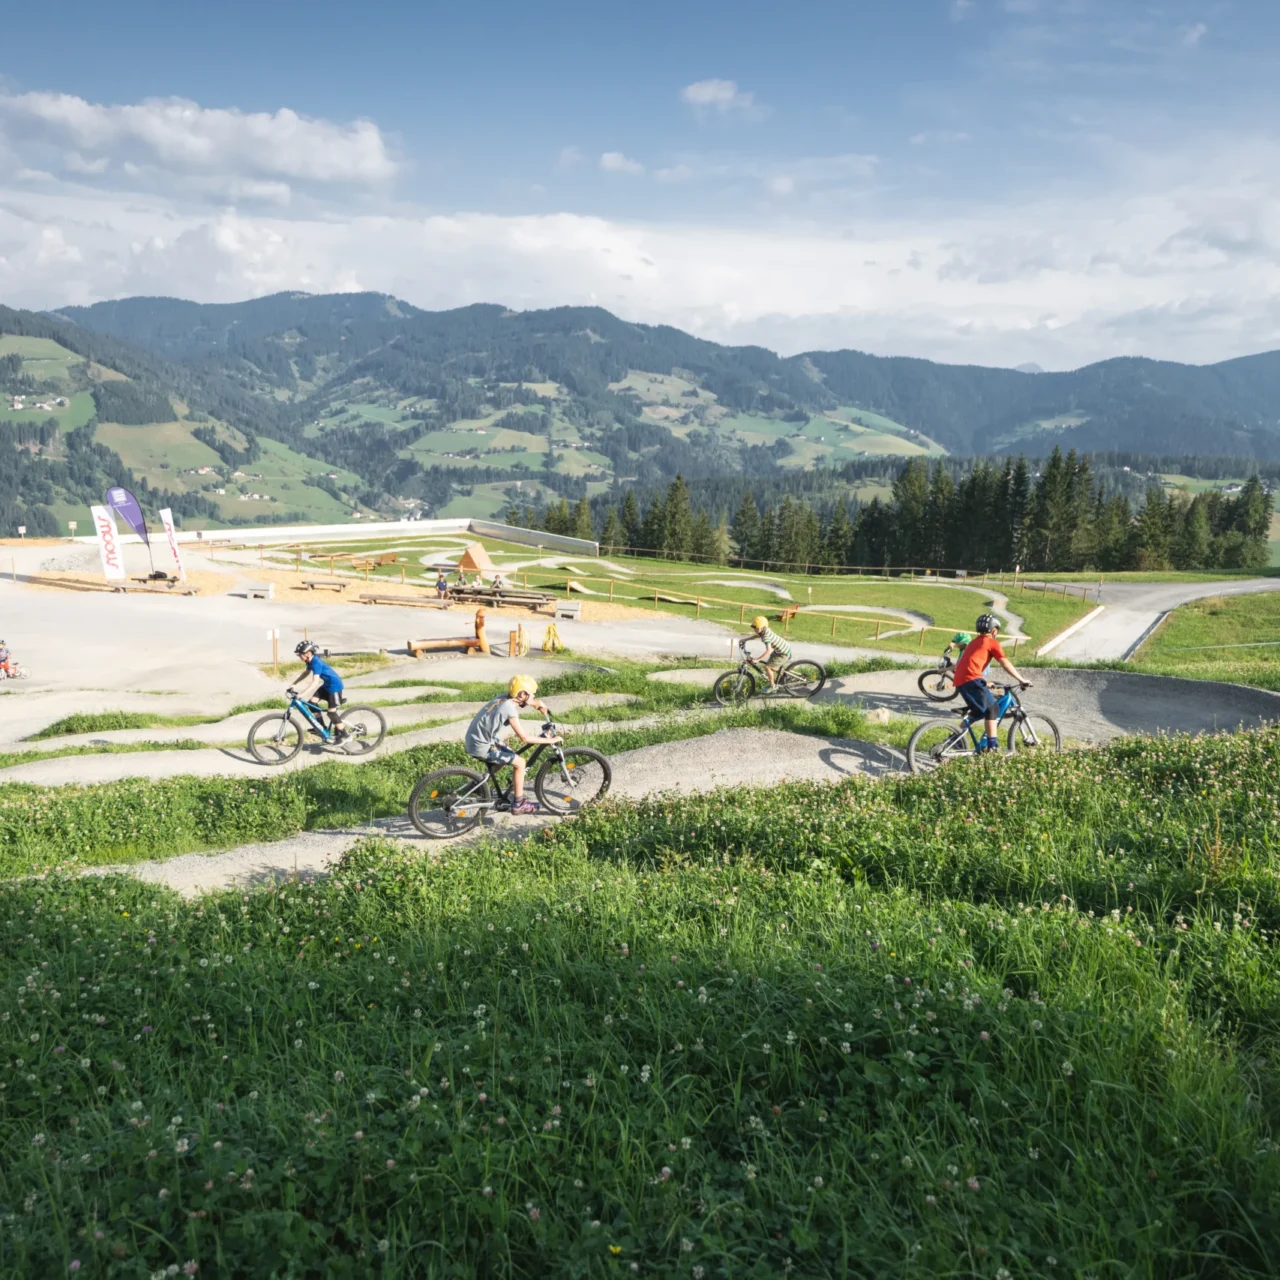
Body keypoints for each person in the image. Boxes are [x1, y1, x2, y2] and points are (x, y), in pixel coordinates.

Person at [463, 674, 561, 814]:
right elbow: (524, 738)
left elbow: (523, 701)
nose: (533, 697)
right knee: (520, 763)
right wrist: (550, 740)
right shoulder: (509, 708)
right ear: (522, 694)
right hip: (481, 746)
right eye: (532, 695)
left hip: (479, 739)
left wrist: (536, 703)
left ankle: (478, 785)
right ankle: (519, 804)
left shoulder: (504, 698)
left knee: (510, 755)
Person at [952, 614, 1031, 752]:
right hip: (972, 679)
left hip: (961, 680)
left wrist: (982, 681)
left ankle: (954, 739)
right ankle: (992, 747)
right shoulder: (991, 642)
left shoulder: (973, 642)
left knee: (978, 712)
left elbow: (969, 663)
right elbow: (1004, 663)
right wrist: (1021, 679)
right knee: (993, 709)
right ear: (994, 630)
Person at [287, 641, 348, 740]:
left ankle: (345, 735)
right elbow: (305, 673)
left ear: (308, 653)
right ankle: (320, 728)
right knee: (312, 703)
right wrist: (294, 683)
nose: (299, 656)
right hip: (327, 685)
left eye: (300, 654)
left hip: (334, 686)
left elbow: (315, 682)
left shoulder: (316, 663)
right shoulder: (310, 661)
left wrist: (301, 694)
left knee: (331, 713)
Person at [745, 614, 792, 691]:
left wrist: (758, 659)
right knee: (771, 665)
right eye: (754, 627)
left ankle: (772, 686)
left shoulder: (766, 637)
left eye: (756, 627)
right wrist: (745, 640)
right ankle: (784, 675)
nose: (755, 629)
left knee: (767, 667)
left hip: (783, 653)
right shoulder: (764, 631)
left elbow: (768, 651)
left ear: (763, 627)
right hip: (781, 649)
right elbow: (757, 635)